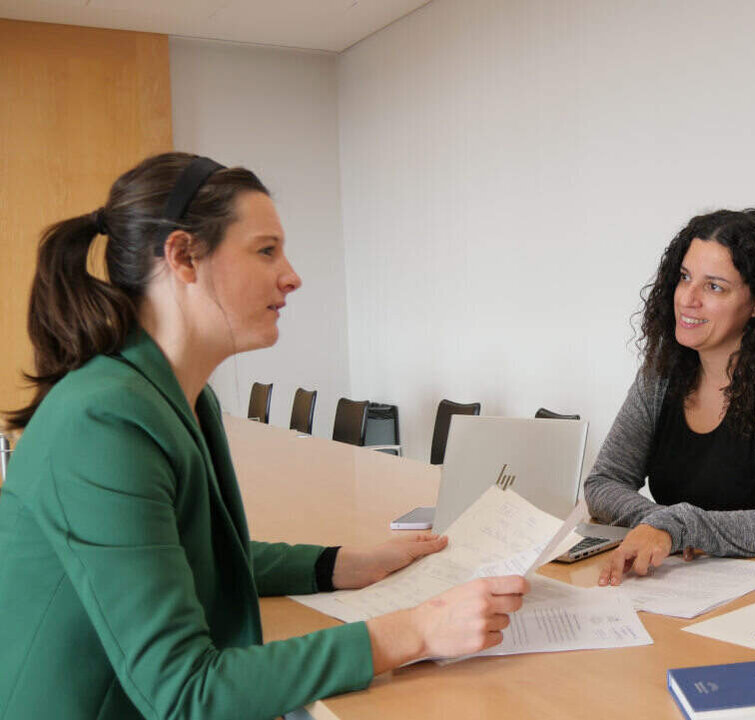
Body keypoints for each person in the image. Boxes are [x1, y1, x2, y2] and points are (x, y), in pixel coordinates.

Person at [0, 153, 529, 720]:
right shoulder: (102, 420)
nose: (292, 276)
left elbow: (192, 555)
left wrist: (342, 564)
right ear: (182, 257)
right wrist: (413, 632)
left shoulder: (178, 396)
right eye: (265, 250)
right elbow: (185, 693)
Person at [585, 209, 755, 586]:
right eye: (685, 278)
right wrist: (661, 526)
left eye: (714, 287)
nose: (688, 299)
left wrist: (680, 526)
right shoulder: (665, 367)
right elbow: (604, 481)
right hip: (687, 587)